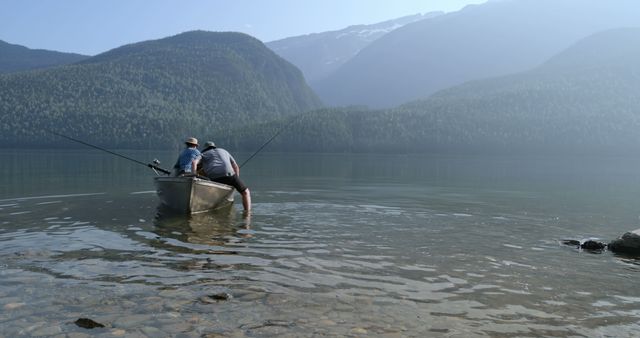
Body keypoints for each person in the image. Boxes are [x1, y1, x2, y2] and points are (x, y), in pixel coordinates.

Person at [200, 141, 251, 212]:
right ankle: (247, 213)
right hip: (230, 176)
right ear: (214, 146)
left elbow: (196, 165)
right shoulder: (224, 151)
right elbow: (235, 166)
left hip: (214, 178)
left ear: (205, 149)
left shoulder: (203, 154)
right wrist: (236, 179)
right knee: (245, 192)